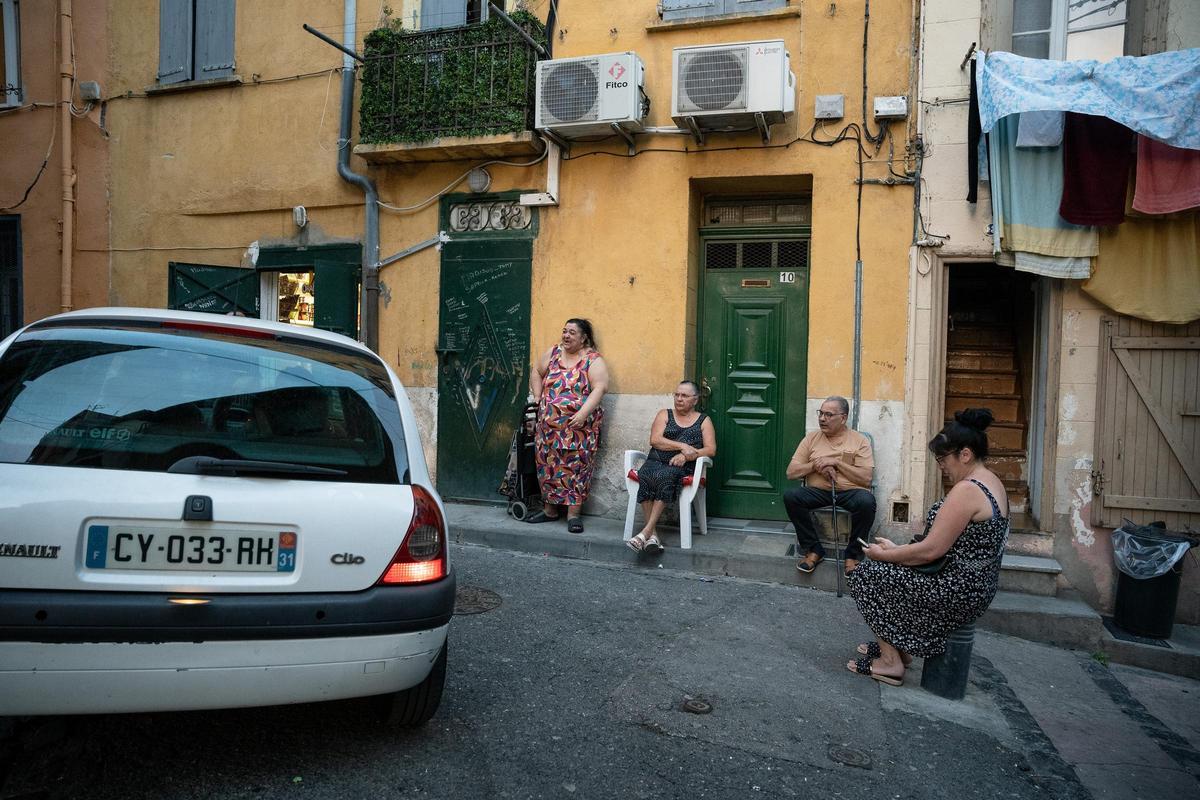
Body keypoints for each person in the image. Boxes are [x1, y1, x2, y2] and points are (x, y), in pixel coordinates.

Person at [844, 408, 1009, 687]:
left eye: (943, 458)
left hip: (957, 589)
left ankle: (891, 662)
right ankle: (900, 647)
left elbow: (931, 551)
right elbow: (948, 546)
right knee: (886, 568)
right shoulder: (991, 481)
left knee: (866, 574)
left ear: (965, 454)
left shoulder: (967, 490)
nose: (941, 465)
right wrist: (895, 550)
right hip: (974, 585)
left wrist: (887, 555)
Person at [525, 318, 609, 533]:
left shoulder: (592, 360)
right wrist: (538, 397)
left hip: (579, 429)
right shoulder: (553, 353)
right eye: (564, 331)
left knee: (576, 469)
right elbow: (536, 372)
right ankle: (549, 510)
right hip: (548, 429)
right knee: (547, 467)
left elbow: (600, 388)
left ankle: (573, 515)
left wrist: (582, 414)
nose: (566, 335)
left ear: (583, 338)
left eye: (572, 332)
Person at [782, 396, 876, 575]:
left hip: (850, 492)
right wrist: (816, 465)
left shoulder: (860, 440)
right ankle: (814, 550)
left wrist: (837, 463)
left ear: (843, 418)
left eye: (828, 415)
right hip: (819, 491)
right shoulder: (811, 438)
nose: (822, 419)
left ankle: (852, 555)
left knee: (867, 502)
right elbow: (791, 472)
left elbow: (866, 479)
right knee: (792, 497)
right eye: (821, 413)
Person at [627, 381, 717, 554]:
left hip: (682, 466)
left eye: (684, 395)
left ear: (695, 400)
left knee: (666, 476)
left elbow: (711, 449)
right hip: (655, 461)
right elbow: (655, 440)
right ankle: (652, 536)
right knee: (645, 474)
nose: (679, 399)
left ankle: (646, 532)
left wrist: (687, 455)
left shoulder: (703, 420)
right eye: (677, 394)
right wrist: (682, 446)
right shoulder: (664, 414)